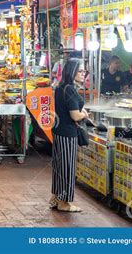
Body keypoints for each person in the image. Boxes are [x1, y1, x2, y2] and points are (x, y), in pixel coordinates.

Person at [51, 58, 88, 212]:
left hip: (59, 131)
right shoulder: (70, 89)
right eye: (80, 71)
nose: (83, 73)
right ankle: (64, 203)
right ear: (72, 71)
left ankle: (56, 198)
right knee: (67, 167)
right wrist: (84, 114)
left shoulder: (61, 87)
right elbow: (74, 116)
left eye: (84, 71)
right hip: (67, 133)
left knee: (59, 167)